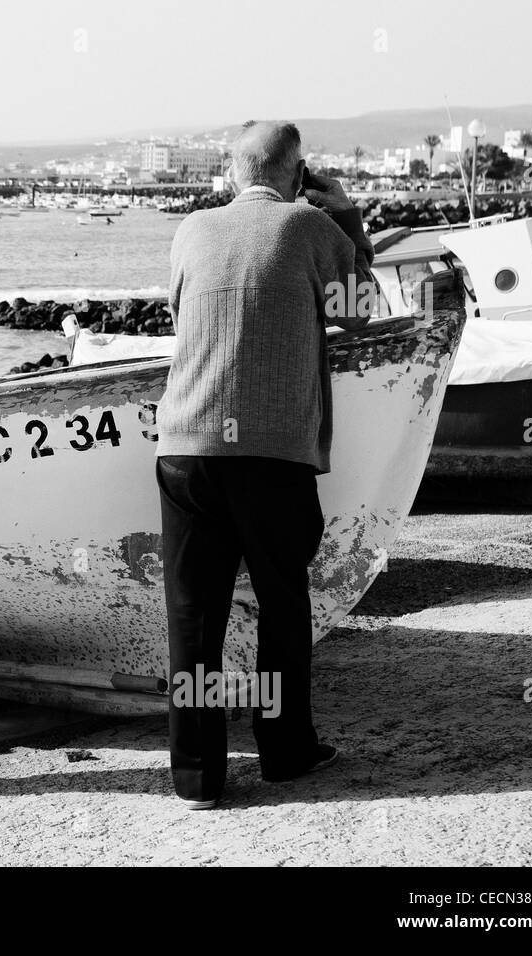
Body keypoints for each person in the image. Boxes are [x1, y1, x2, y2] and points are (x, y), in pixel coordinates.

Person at [155, 121, 375, 809]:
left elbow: (178, 311)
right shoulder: (309, 226)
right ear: (295, 171)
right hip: (271, 454)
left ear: (231, 170)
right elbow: (363, 311)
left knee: (193, 618)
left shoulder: (192, 229)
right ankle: (284, 751)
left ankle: (196, 776)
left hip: (186, 448)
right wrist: (347, 217)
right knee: (281, 606)